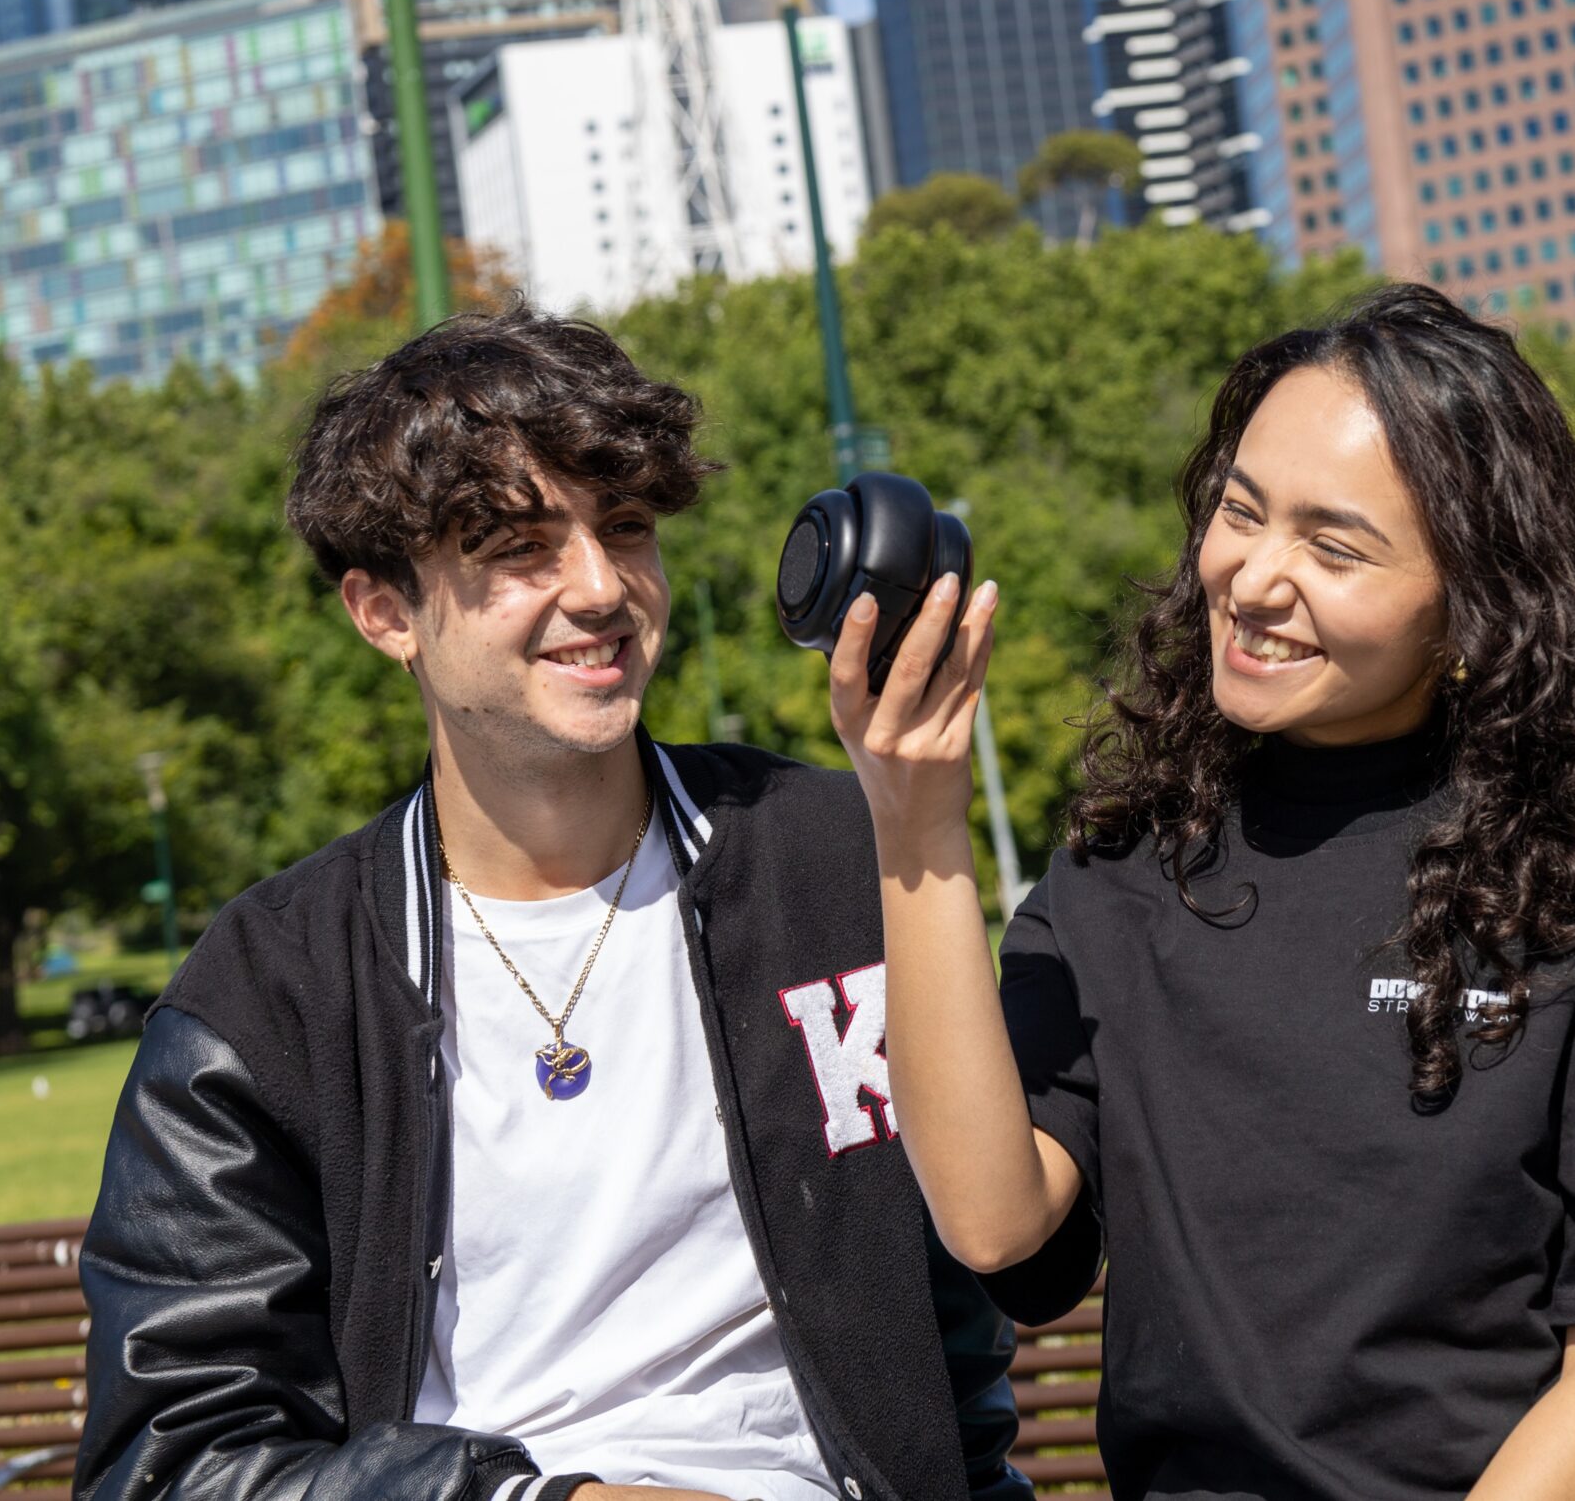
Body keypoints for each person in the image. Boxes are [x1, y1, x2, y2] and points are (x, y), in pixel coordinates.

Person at [833, 284, 1575, 1501]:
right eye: (1241, 513)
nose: (1252, 579)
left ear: (1471, 603)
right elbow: (995, 1223)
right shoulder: (1130, 866)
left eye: (1333, 546)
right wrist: (913, 821)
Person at [73, 309, 1027, 1501]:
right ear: (382, 613)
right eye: (518, 547)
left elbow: (974, 1308)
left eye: (623, 528)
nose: (598, 588)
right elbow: (172, 1465)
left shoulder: (837, 863)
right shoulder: (272, 995)